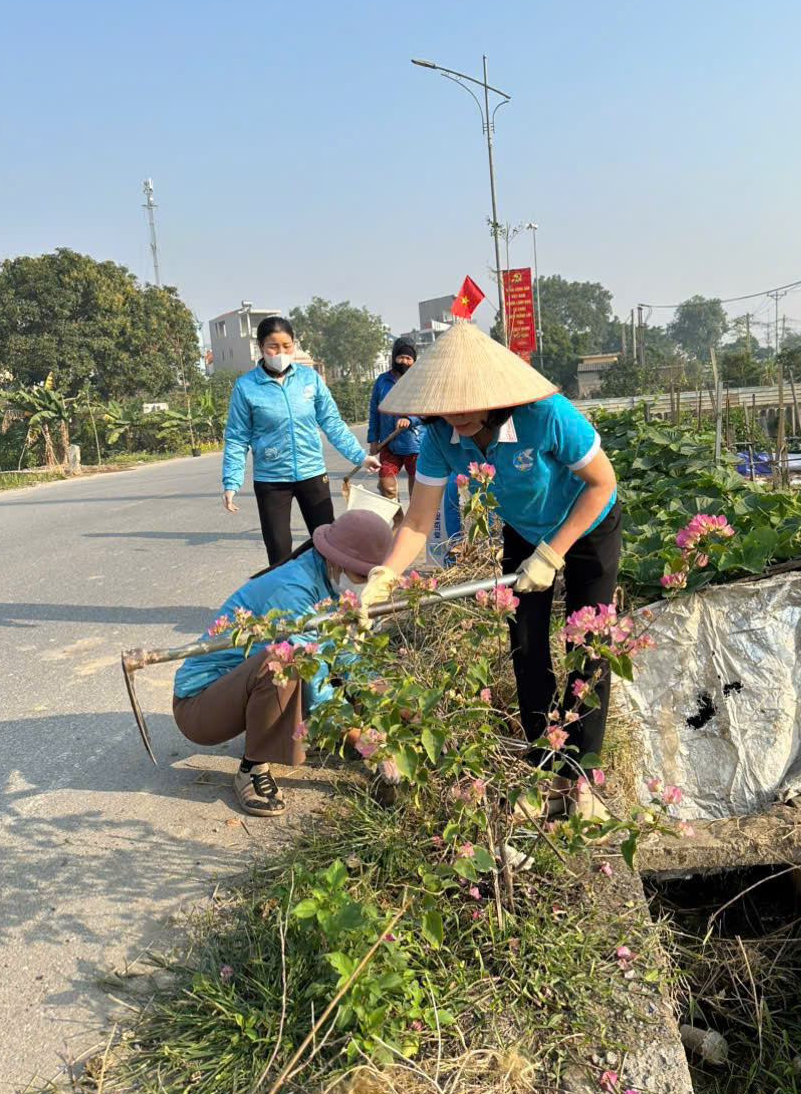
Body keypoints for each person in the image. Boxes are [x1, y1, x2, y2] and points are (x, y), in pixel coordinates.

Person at [357, 321, 620, 821]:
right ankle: (545, 770)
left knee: (590, 645)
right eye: (443, 403)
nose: (452, 415)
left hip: (588, 523)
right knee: (525, 645)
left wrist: (554, 552)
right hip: (523, 528)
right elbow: (418, 519)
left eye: (463, 403)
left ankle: (582, 780)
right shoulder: (438, 436)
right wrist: (385, 575)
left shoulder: (547, 416)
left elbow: (602, 482)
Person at [172, 510, 394, 817]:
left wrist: (399, 705)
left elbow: (346, 658)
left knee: (345, 659)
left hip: (237, 691)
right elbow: (312, 674)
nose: (363, 586)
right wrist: (360, 738)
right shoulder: (294, 590)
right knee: (285, 662)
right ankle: (252, 768)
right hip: (200, 708)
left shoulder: (328, 585)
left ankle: (307, 733)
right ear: (335, 560)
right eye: (361, 576)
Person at [221, 315, 380, 564]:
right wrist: (231, 482)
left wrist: (360, 456)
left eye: (287, 346)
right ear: (261, 347)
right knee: (279, 549)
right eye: (273, 346)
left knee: (327, 545)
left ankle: (328, 599)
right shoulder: (246, 387)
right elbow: (236, 438)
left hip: (312, 475)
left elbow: (332, 422)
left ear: (294, 345)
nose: (280, 352)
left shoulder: (310, 379)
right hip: (271, 481)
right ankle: (285, 602)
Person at [367, 337, 424, 504]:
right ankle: (397, 519)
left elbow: (429, 412)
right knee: (386, 485)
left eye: (408, 358)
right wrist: (373, 439)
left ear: (414, 360)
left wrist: (411, 420)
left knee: (417, 493)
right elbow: (374, 411)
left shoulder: (420, 381)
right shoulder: (382, 381)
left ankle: (413, 524)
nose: (404, 361)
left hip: (416, 446)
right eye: (401, 357)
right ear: (394, 357)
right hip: (389, 443)